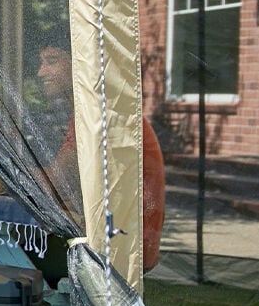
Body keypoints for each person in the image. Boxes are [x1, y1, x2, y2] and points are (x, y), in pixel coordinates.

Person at [37, 34, 166, 274]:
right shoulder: (97, 107)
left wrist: (5, 175)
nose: (40, 73)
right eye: (41, 62)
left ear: (80, 62)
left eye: (51, 61)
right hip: (121, 238)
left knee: (4, 256)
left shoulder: (96, 114)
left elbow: (55, 181)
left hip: (118, 248)